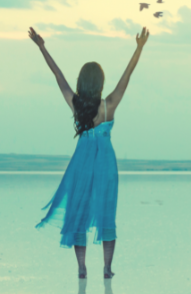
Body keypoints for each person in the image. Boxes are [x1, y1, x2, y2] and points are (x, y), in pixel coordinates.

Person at [30, 26, 149, 278]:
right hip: (106, 163)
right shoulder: (109, 105)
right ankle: (107, 268)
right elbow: (128, 75)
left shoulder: (76, 105)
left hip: (82, 163)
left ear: (82, 83)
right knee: (107, 213)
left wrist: (42, 47)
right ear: (101, 83)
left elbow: (57, 75)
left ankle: (82, 268)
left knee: (80, 213)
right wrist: (138, 48)